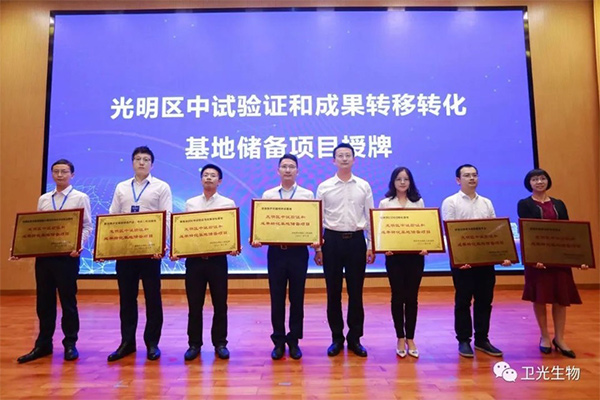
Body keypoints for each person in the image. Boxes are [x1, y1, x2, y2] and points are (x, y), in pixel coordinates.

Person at [13, 159, 92, 363]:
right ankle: (43, 344)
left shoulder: (80, 198)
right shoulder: (44, 199)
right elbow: (38, 228)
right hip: (45, 258)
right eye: (56, 171)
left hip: (67, 258)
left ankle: (70, 343)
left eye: (64, 171)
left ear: (72, 174)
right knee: (44, 302)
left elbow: (87, 226)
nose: (59, 175)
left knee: (68, 302)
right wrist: (22, 247)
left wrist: (78, 245)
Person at [107, 146, 172, 362]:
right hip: (125, 252)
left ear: (152, 164)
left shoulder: (161, 187)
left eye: (145, 159)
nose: (141, 162)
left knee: (153, 298)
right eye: (137, 159)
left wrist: (160, 245)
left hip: (150, 252)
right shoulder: (121, 187)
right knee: (127, 298)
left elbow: (167, 218)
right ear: (132, 162)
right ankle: (127, 342)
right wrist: (111, 245)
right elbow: (112, 217)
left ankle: (152, 343)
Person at [251, 154, 318, 360]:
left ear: (297, 171)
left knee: (297, 297)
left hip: (298, 253)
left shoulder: (307, 195)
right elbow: (263, 223)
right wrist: (257, 237)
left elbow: (312, 223)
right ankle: (278, 340)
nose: (288, 170)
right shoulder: (268, 195)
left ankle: (294, 340)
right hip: (276, 253)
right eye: (284, 166)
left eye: (291, 166)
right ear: (278, 170)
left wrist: (316, 241)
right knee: (277, 297)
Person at [441, 164, 511, 358]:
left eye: (474, 175)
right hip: (463, 262)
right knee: (463, 301)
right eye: (467, 175)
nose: (471, 178)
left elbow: (495, 231)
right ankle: (463, 340)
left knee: (485, 300)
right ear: (458, 180)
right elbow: (451, 232)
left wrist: (501, 255)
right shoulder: (451, 202)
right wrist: (459, 257)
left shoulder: (486, 202)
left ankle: (482, 339)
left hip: (485, 261)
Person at [517, 168, 588, 358]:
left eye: (542, 178)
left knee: (560, 298)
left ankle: (560, 338)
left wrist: (578, 258)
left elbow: (569, 232)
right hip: (538, 260)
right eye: (535, 179)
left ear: (548, 181)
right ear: (529, 183)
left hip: (559, 259)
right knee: (540, 298)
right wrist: (534, 258)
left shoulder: (559, 204)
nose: (539, 182)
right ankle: (544, 336)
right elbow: (527, 232)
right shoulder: (524, 204)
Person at [314, 143, 376, 357]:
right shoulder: (324, 187)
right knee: (333, 292)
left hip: (356, 241)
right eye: (340, 155)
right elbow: (317, 219)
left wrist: (371, 245)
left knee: (356, 292)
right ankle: (336, 338)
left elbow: (369, 216)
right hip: (331, 241)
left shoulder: (363, 186)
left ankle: (355, 338)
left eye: (348, 155)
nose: (344, 159)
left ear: (354, 159)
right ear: (334, 160)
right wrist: (318, 248)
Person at [173, 164, 239, 361]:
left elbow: (230, 231)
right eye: (206, 175)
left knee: (220, 303)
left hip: (217, 261)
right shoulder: (191, 203)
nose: (209, 178)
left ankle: (220, 343)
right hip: (194, 262)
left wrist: (233, 245)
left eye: (213, 175)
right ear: (201, 179)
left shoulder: (227, 203)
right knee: (195, 305)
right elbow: (185, 231)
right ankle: (194, 344)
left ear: (219, 181)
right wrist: (178, 249)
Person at [378, 167, 428, 358]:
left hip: (415, 257)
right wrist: (383, 247)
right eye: (398, 179)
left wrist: (425, 246)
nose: (402, 182)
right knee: (398, 296)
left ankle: (411, 338)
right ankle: (400, 336)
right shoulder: (385, 203)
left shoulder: (418, 202)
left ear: (410, 182)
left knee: (412, 297)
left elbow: (423, 227)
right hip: (394, 257)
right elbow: (381, 229)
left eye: (406, 179)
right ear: (393, 181)